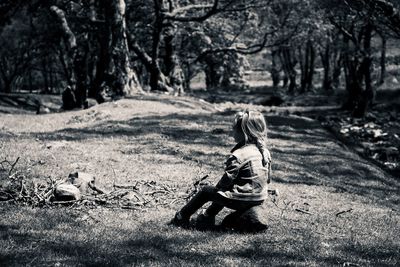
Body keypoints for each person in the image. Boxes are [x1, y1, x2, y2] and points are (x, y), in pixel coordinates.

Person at [169, 110, 272, 228]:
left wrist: (217, 189)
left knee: (208, 191)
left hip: (243, 198)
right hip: (259, 197)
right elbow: (267, 179)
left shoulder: (239, 154)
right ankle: (207, 216)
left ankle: (181, 216)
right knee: (224, 192)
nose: (231, 132)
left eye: (233, 128)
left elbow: (226, 181)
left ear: (242, 132)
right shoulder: (264, 152)